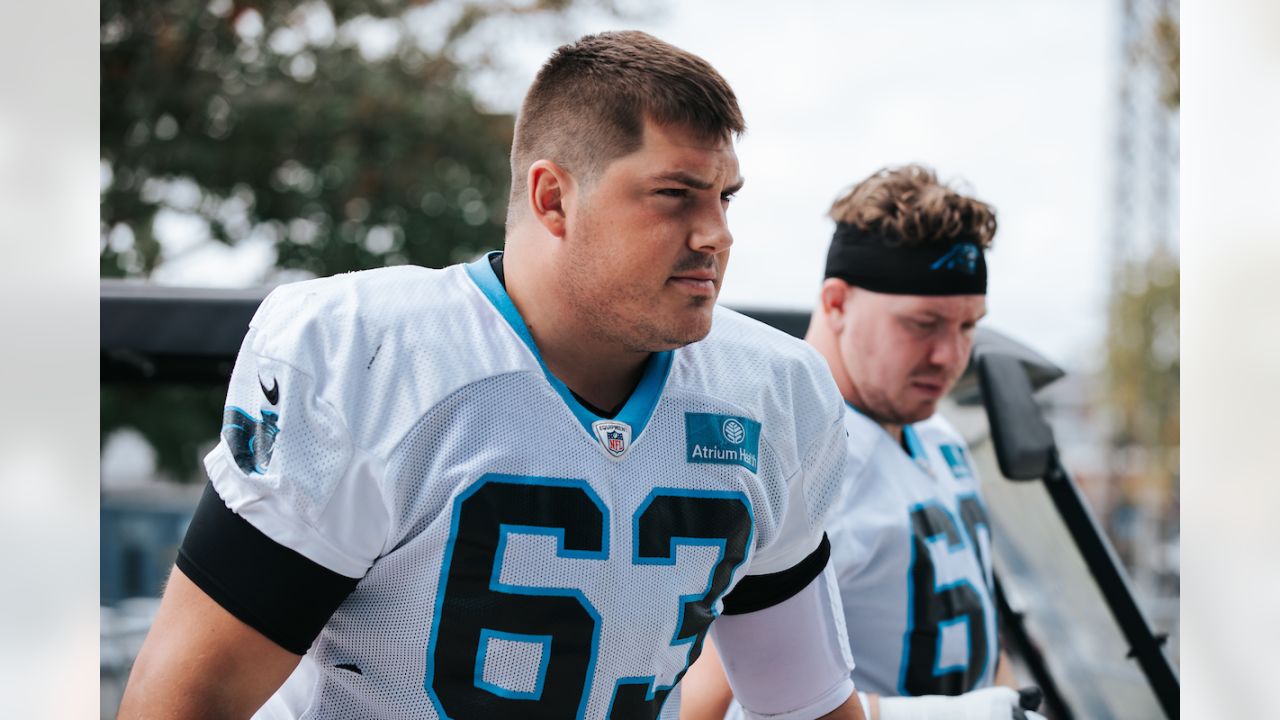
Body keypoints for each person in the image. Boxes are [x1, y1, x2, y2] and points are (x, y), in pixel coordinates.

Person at [119, 31, 866, 720]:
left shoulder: (770, 393)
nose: (716, 235)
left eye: (725, 196)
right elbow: (188, 699)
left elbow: (805, 704)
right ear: (553, 198)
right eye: (675, 194)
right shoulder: (373, 359)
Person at [680, 166, 1044, 720]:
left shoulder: (939, 437)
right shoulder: (780, 461)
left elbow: (981, 638)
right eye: (924, 323)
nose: (950, 355)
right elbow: (702, 709)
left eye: (968, 327)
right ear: (836, 303)